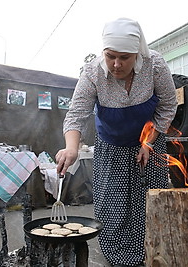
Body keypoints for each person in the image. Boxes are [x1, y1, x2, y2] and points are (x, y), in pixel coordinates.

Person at [55, 18, 177, 266]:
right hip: (111, 146)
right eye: (110, 56)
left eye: (125, 57)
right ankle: (120, 257)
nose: (116, 64)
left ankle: (153, 251)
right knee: (113, 203)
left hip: (148, 143)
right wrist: (71, 148)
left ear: (137, 53)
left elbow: (167, 105)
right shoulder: (92, 73)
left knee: (149, 200)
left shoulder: (155, 66)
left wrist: (148, 143)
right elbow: (77, 114)